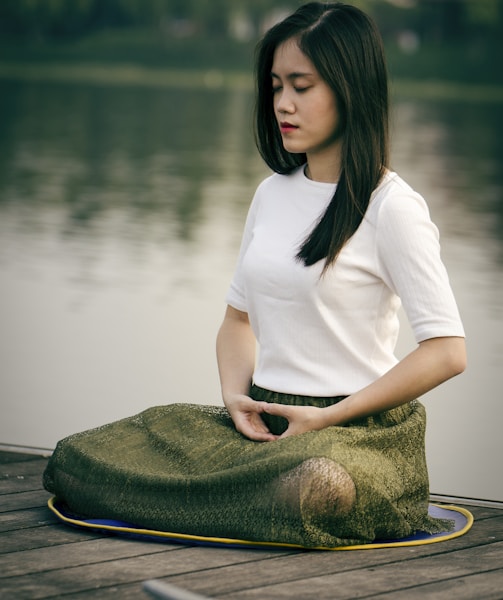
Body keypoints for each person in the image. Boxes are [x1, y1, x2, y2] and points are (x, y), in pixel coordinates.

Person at [44, 2, 466, 548]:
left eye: (301, 86)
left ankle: (217, 499)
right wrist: (234, 397)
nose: (282, 104)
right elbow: (237, 321)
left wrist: (331, 416)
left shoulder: (393, 208)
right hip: (263, 426)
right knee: (80, 457)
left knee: (315, 486)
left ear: (350, 86)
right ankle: (232, 497)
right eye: (275, 87)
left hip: (354, 437)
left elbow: (447, 351)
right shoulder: (272, 195)